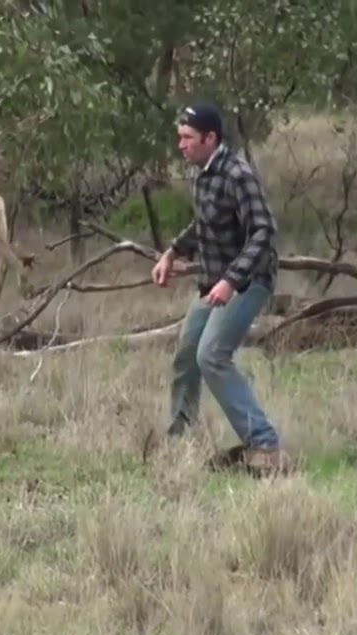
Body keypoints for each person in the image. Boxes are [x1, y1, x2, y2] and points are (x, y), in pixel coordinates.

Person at [150, 101, 289, 475]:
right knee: (187, 354)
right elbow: (204, 224)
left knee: (211, 355)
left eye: (188, 138)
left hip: (249, 281)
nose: (181, 145)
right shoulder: (203, 174)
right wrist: (172, 252)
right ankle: (180, 439)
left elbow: (264, 231)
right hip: (213, 283)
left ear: (211, 139)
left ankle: (265, 444)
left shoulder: (237, 174)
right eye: (179, 137)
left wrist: (232, 281)